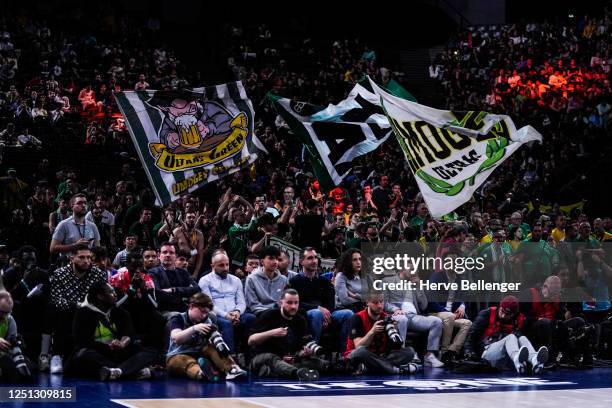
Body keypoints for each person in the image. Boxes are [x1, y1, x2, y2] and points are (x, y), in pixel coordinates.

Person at [68, 282, 158, 381]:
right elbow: (82, 342)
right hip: (98, 352)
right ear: (100, 296)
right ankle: (132, 371)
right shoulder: (83, 313)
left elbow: (128, 334)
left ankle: (117, 371)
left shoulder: (121, 312)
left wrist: (122, 343)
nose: (115, 294)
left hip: (118, 351)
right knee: (82, 354)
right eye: (111, 292)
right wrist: (108, 345)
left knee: (151, 351)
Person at [45, 244, 107, 374]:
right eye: (82, 257)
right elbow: (57, 300)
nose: (86, 261)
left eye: (89, 258)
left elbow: (103, 298)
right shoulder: (59, 274)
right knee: (56, 310)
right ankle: (56, 356)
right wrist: (78, 305)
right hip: (68, 312)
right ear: (71, 258)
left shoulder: (98, 274)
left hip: (91, 313)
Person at [166, 292, 247, 381]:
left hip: (199, 354)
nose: (204, 315)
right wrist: (194, 328)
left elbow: (214, 341)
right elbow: (176, 338)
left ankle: (232, 369)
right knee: (182, 360)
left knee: (213, 347)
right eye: (202, 311)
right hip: (177, 355)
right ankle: (201, 373)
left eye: (206, 313)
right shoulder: (178, 318)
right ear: (191, 306)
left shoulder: (207, 320)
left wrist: (216, 339)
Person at [248, 289, 325, 380]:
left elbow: (300, 346)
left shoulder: (300, 319)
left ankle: (278, 371)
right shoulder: (269, 315)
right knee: (270, 358)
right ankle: (296, 373)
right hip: (262, 357)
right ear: (281, 303)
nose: (293, 306)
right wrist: (271, 333)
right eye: (289, 303)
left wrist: (303, 353)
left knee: (318, 362)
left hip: (288, 359)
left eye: (296, 303)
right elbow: (251, 340)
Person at [290, 247, 353, 354]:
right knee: (316, 313)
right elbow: (295, 304)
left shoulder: (324, 281)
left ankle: (345, 354)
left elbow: (330, 302)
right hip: (306, 314)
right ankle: (313, 354)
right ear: (301, 262)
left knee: (348, 314)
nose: (314, 261)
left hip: (326, 314)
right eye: (310, 258)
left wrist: (326, 315)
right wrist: (318, 308)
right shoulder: (295, 281)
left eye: (315, 257)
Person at [464, 295, 549, 374]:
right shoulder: (487, 314)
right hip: (487, 354)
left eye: (508, 314)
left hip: (506, 358)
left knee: (522, 337)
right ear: (500, 306)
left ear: (514, 313)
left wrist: (541, 320)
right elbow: (471, 335)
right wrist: (468, 352)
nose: (503, 316)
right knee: (511, 337)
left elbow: (532, 321)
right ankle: (518, 360)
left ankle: (535, 360)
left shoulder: (520, 319)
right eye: (502, 311)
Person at [344, 292, 421, 375]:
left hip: (379, 357)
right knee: (361, 352)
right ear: (367, 302)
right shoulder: (357, 318)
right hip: (358, 356)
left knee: (410, 351)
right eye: (375, 302)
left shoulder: (387, 318)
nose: (380, 306)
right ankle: (396, 370)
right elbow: (358, 346)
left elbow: (396, 348)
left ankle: (369, 368)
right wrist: (372, 332)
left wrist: (395, 331)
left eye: (381, 301)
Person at [382, 267, 444, 367]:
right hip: (397, 315)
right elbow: (384, 302)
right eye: (410, 268)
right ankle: (402, 355)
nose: (413, 271)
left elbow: (423, 306)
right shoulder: (387, 281)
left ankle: (429, 356)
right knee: (403, 319)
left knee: (437, 321)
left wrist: (419, 286)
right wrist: (395, 309)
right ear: (402, 269)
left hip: (414, 316)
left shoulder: (413, 284)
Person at [198, 252, 256, 355]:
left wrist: (237, 312)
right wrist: (226, 315)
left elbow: (241, 302)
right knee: (226, 323)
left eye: (227, 264)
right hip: (217, 315)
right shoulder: (205, 280)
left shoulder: (236, 280)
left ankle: (250, 355)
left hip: (236, 314)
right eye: (221, 265)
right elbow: (209, 305)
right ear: (212, 266)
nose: (225, 268)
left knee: (251, 318)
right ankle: (230, 358)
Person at [148, 242, 200, 316]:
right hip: (166, 310)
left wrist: (174, 290)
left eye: (171, 253)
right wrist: (184, 294)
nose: (168, 255)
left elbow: (197, 289)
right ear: (159, 256)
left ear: (175, 256)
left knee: (211, 316)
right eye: (165, 252)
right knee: (176, 315)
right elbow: (158, 294)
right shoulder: (153, 272)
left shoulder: (183, 272)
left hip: (185, 308)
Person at [50, 193, 100, 262]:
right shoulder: (63, 224)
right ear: (72, 206)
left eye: (85, 203)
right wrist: (75, 246)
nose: (83, 205)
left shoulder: (92, 226)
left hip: (87, 264)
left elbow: (97, 248)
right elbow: (53, 248)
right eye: (79, 203)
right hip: (68, 265)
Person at [245, 246, 288, 316]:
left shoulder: (283, 279)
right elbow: (253, 305)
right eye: (271, 258)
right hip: (260, 313)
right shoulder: (251, 279)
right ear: (262, 261)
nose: (275, 262)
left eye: (277, 259)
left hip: (279, 312)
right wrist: (271, 312)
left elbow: (285, 301)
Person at [0, 291, 32, 381]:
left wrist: (16, 342)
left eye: (8, 312)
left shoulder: (9, 319)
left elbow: (11, 341)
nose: (4, 316)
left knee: (25, 370)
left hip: (3, 352)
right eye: (2, 312)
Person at [171, 211, 205, 279]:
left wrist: (196, 273)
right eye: (189, 217)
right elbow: (170, 250)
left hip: (191, 267)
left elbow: (200, 255)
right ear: (184, 219)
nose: (192, 219)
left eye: (193, 217)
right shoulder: (177, 231)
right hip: (178, 266)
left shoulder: (199, 234)